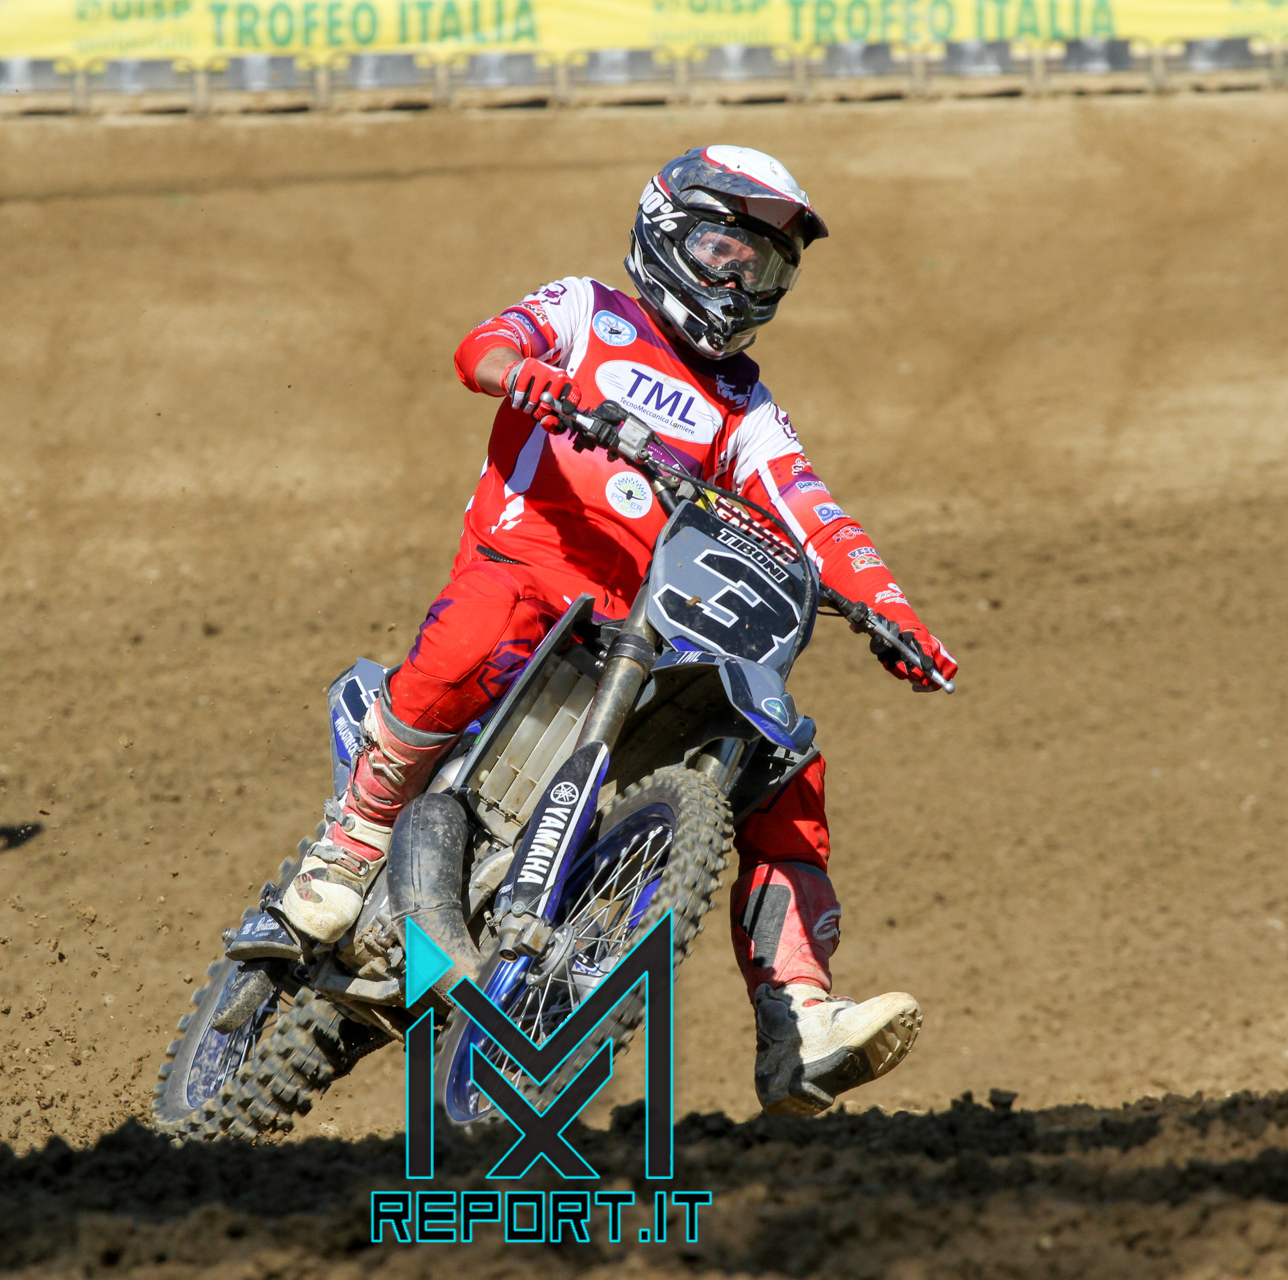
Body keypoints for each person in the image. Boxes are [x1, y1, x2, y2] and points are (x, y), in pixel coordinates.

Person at [278, 146, 958, 1117]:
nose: (739, 282)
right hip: (526, 575)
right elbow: (482, 348)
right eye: (724, 251)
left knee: (784, 763)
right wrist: (530, 378)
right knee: (481, 625)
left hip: (641, 630)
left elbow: (816, 514)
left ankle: (798, 1017)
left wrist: (892, 611)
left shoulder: (745, 407)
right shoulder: (585, 312)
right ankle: (352, 842)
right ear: (667, 233)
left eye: (764, 267)